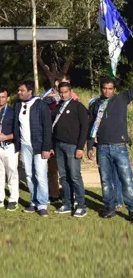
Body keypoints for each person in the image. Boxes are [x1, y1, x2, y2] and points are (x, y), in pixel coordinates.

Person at [87, 78, 133, 221]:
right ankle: (109, 208)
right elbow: (91, 126)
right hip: (102, 148)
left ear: (114, 89)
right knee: (106, 180)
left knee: (126, 180)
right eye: (104, 88)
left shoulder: (122, 98)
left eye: (110, 88)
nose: (107, 91)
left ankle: (131, 210)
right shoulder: (95, 105)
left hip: (119, 147)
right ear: (101, 88)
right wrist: (89, 146)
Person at [14, 80, 52, 218]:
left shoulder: (40, 105)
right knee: (29, 175)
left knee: (40, 175)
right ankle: (34, 202)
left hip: (39, 145)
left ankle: (42, 204)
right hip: (25, 146)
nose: (19, 92)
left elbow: (48, 127)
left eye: (22, 90)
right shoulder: (18, 104)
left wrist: (47, 147)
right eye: (18, 90)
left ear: (30, 91)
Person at [52, 82, 89, 217]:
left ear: (71, 91)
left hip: (73, 146)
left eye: (65, 92)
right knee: (64, 176)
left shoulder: (78, 107)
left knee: (74, 176)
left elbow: (85, 128)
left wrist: (80, 147)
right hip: (59, 146)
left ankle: (81, 205)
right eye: (60, 92)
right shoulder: (57, 107)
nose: (63, 94)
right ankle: (67, 203)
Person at [41, 74, 78, 203]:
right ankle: (54, 193)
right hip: (53, 138)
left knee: (70, 169)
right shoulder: (47, 98)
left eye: (68, 83)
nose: (65, 85)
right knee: (53, 169)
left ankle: (71, 194)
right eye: (63, 82)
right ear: (56, 83)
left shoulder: (73, 98)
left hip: (68, 139)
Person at [0, 88, 18, 211]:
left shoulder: (13, 112)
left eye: (3, 97)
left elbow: (18, 132)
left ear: (8, 98)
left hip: (9, 146)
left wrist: (6, 137)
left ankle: (13, 199)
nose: (1, 99)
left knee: (12, 173)